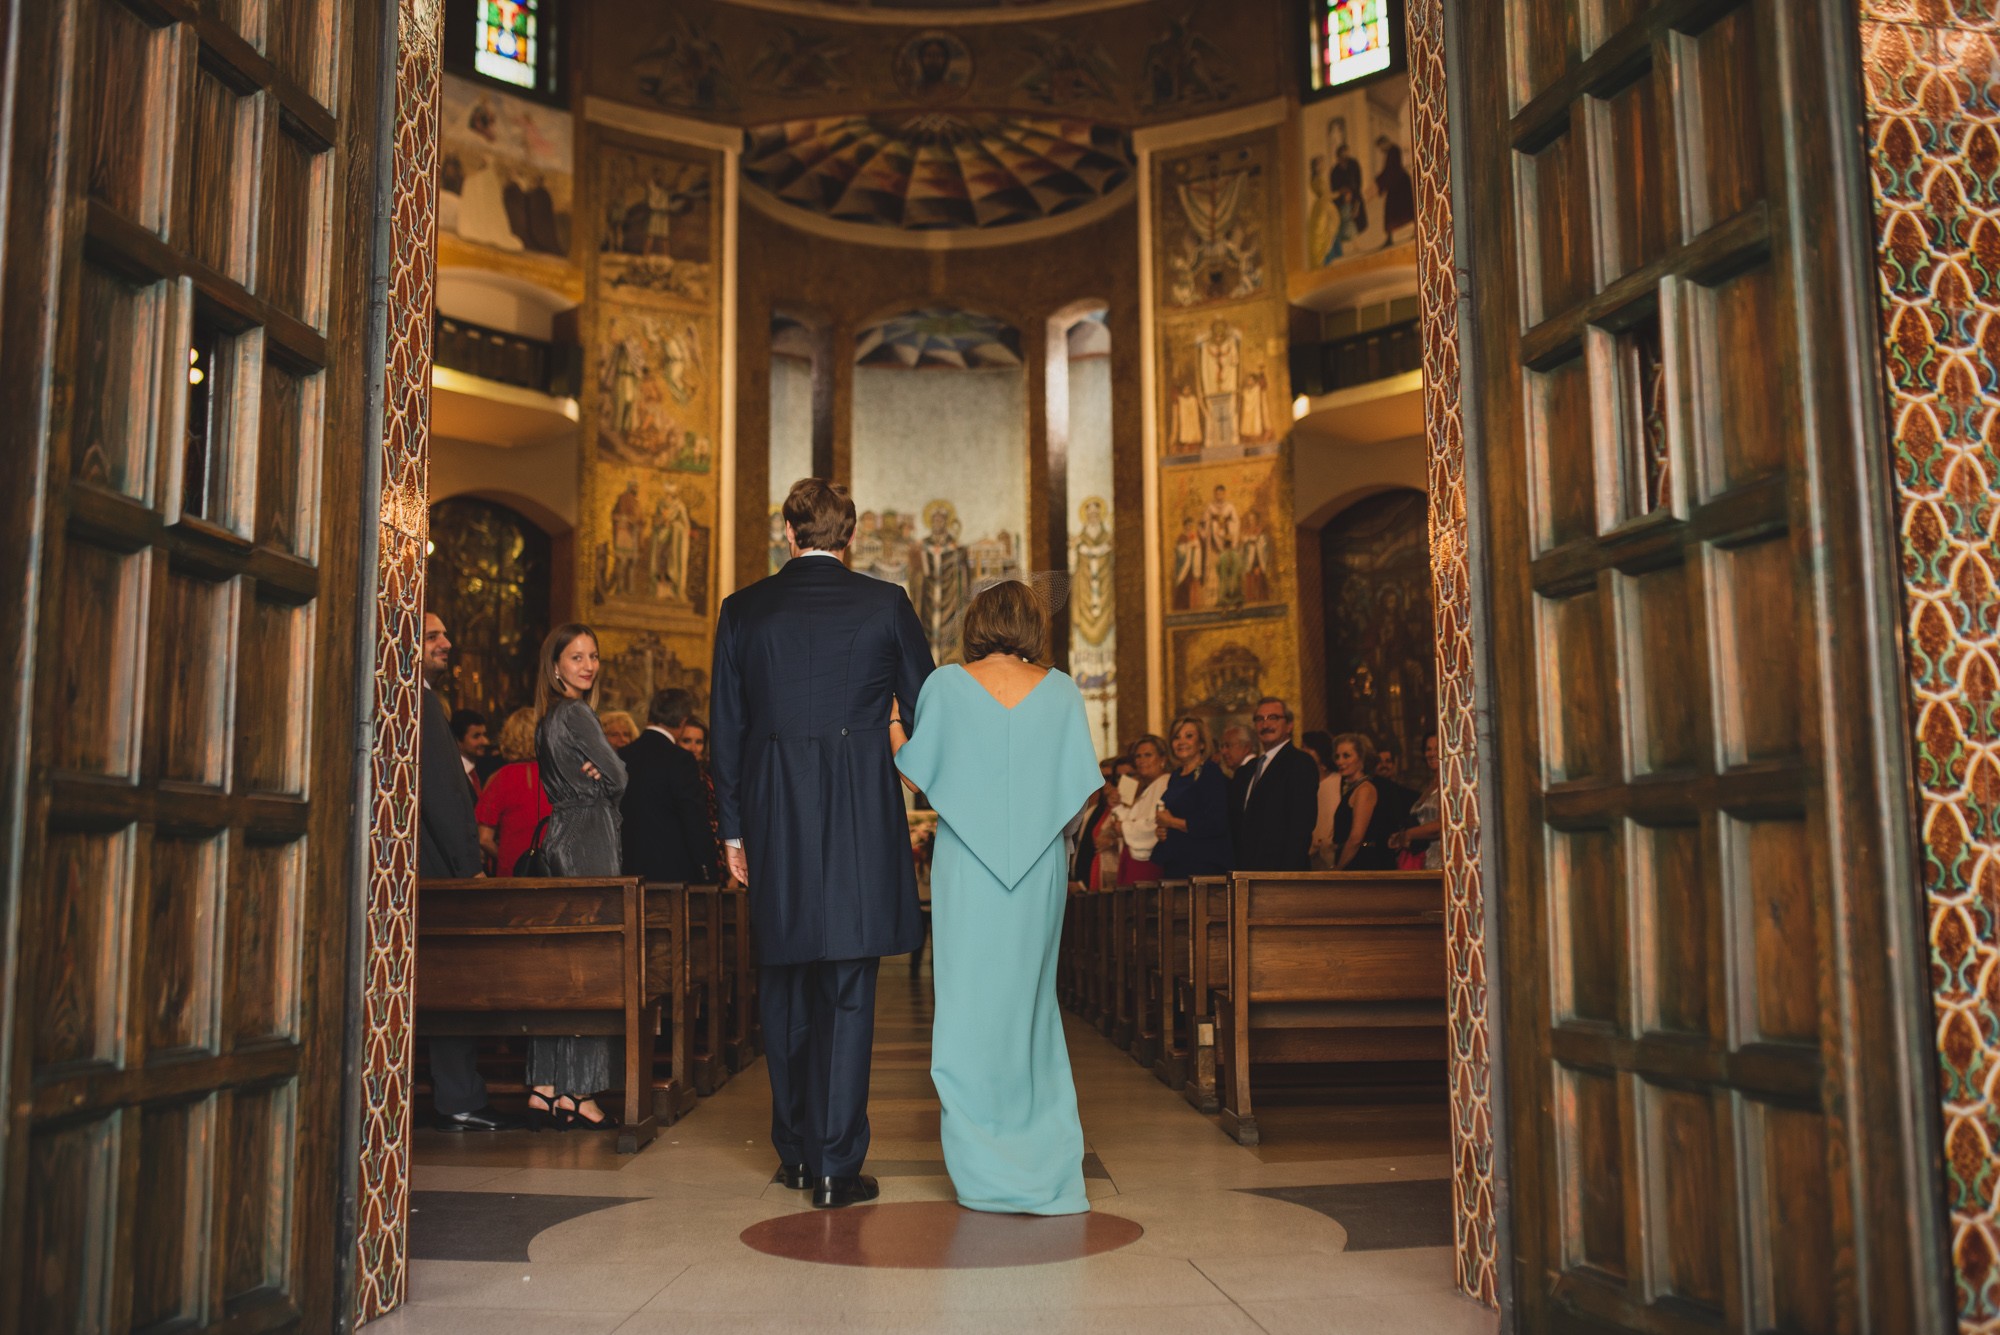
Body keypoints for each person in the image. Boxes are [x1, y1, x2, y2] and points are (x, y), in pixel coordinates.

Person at [710, 478, 933, 1209]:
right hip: (860, 814)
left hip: (774, 810)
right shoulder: (886, 603)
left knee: (783, 981)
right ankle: (839, 1164)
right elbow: (926, 708)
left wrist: (734, 829)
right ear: (852, 537)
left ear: (788, 533)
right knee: (848, 987)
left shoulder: (743, 610)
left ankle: (798, 1154)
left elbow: (728, 730)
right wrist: (896, 765)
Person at [892, 580, 1100, 1215]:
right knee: (1032, 1010)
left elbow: (916, 771)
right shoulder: (1061, 689)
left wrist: (894, 725)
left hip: (967, 868)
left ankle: (982, 1171)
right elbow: (1081, 795)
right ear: (1033, 625)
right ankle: (1045, 1168)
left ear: (975, 622)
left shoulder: (946, 686)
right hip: (1036, 870)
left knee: (966, 1010)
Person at [527, 623, 628, 1131]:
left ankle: (548, 1086)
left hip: (560, 835)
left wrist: (599, 775)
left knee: (561, 965)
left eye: (593, 656)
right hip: (588, 836)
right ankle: (581, 1092)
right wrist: (606, 779)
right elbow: (620, 775)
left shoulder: (548, 719)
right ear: (556, 666)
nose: (587, 665)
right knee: (591, 965)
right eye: (575, 657)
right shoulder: (578, 713)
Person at [417, 612, 511, 1132]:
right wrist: (469, 867)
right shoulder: (423, 701)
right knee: (454, 983)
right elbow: (445, 795)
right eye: (433, 636)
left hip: (412, 866)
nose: (447, 644)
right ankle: (459, 1096)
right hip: (437, 870)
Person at [619, 688, 717, 885]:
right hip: (672, 873)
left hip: (626, 869)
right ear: (683, 721)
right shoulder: (681, 760)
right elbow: (693, 818)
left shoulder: (621, 755)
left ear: (651, 714)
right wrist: (708, 870)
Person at [1229, 697, 1319, 871]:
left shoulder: (1300, 762)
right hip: (1246, 871)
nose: (1265, 724)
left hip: (1281, 873)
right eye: (1260, 719)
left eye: (1273, 718)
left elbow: (1301, 824)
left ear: (1290, 725)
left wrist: (1286, 875)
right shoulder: (1246, 770)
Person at [1153, 716, 1233, 878]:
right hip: (1175, 861)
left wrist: (1172, 822)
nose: (1181, 742)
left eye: (1189, 736)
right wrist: (1162, 830)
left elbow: (1216, 823)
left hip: (1203, 865)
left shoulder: (1211, 773)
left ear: (1202, 744)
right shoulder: (1176, 776)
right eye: (1176, 737)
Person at [475, 707, 551, 876]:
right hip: (555, 870)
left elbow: (484, 839)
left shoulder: (501, 778)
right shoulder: (560, 776)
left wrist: (508, 858)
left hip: (513, 873)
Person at [1315, 732, 1399, 871]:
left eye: (1346, 756)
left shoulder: (1365, 789)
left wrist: (1338, 869)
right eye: (1337, 756)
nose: (1340, 761)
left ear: (1361, 759)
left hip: (1363, 863)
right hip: (1354, 860)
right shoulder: (1353, 788)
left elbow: (1356, 838)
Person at [1114, 735, 1171, 883]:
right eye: (1138, 756)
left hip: (1149, 862)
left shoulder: (1166, 783)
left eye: (1148, 755)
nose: (1141, 760)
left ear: (1162, 759)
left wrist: (1124, 827)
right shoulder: (1147, 788)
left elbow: (1155, 825)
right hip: (1133, 860)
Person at [1391, 733, 1444, 870]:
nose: (1432, 753)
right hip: (1424, 861)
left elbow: (1443, 825)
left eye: (1438, 748)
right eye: (1428, 749)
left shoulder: (1451, 784)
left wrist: (1408, 835)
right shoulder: (1430, 785)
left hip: (1441, 861)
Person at [452, 707, 500, 785]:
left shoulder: (487, 769)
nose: (485, 741)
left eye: (484, 735)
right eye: (476, 736)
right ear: (458, 741)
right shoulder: (452, 772)